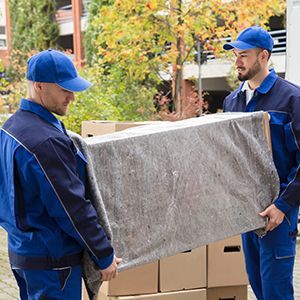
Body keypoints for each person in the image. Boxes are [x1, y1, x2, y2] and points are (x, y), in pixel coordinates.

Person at [0, 49, 122, 299]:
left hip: (24, 254)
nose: (72, 97)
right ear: (39, 86)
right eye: (65, 89)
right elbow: (71, 207)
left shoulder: (11, 128)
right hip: (52, 263)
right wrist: (103, 255)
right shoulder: (45, 141)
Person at [223, 26, 300, 300]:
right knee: (257, 287)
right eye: (236, 55)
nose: (238, 61)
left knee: (276, 293)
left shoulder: (292, 99)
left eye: (244, 55)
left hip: (278, 216)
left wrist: (282, 206)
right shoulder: (232, 102)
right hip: (247, 214)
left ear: (264, 56)